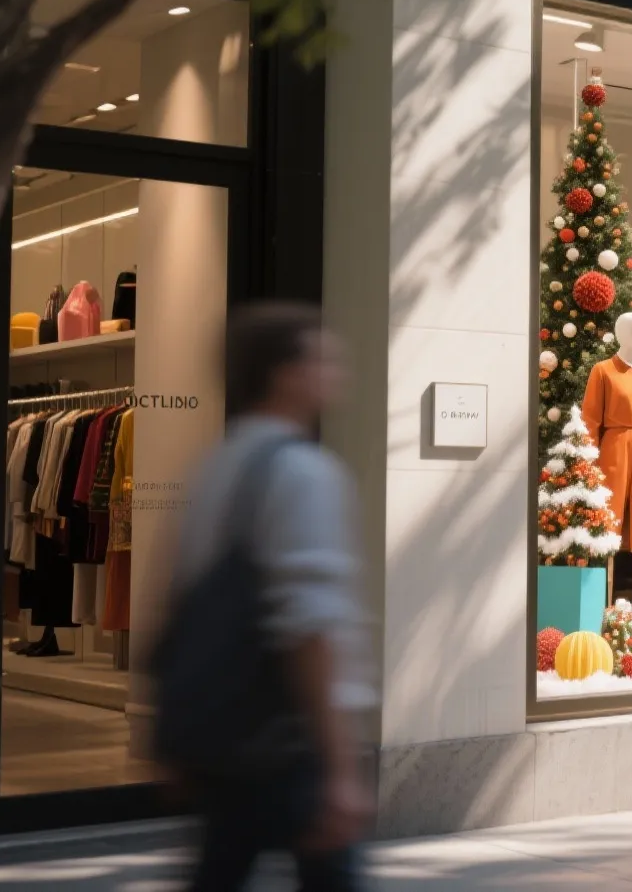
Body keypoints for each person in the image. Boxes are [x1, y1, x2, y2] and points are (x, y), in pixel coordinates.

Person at [168, 303, 372, 889]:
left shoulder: (215, 466)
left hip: (224, 731)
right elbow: (311, 626)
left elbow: (180, 600)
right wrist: (339, 766)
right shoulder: (304, 473)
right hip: (287, 735)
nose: (336, 369)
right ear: (285, 373)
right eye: (321, 357)